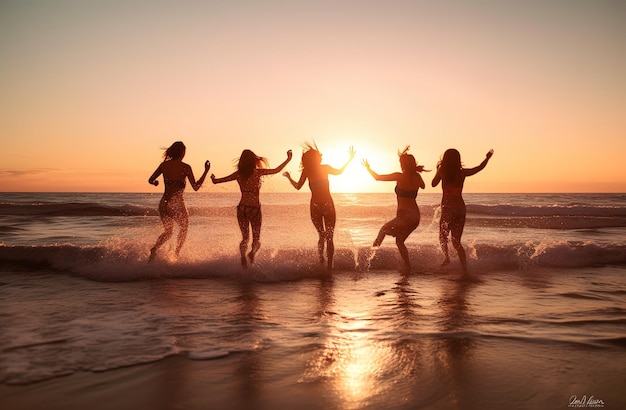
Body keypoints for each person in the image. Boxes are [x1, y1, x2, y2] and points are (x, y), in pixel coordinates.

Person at [211, 149, 292, 268]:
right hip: (255, 209)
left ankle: (243, 256)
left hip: (242, 208)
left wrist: (213, 178)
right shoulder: (258, 173)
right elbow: (276, 170)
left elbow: (217, 181)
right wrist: (288, 159)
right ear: (253, 160)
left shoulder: (238, 174)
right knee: (256, 239)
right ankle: (252, 253)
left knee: (245, 238)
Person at [283, 144, 355, 270]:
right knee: (329, 237)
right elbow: (340, 171)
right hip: (328, 204)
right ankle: (329, 267)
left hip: (315, 206)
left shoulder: (307, 171)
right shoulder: (325, 168)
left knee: (322, 236)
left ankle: (321, 261)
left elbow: (298, 186)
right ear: (317, 158)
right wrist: (349, 159)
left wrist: (289, 178)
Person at [363, 146, 427, 272]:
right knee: (399, 241)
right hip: (415, 217)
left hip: (404, 216)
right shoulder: (418, 177)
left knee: (382, 231)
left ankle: (368, 262)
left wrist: (368, 168)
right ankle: (408, 268)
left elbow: (377, 177)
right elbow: (423, 186)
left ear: (403, 164)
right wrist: (415, 175)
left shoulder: (399, 176)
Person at [431, 148, 493, 274]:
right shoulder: (462, 173)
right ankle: (465, 270)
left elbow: (433, 184)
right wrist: (487, 158)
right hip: (460, 209)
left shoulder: (443, 171)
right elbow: (479, 168)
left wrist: (438, 168)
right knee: (456, 241)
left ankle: (447, 258)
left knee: (442, 236)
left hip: (448, 209)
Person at [148, 141, 210, 261]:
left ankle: (155, 249)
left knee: (168, 232)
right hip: (176, 204)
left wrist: (155, 183)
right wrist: (206, 171)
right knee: (184, 228)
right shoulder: (185, 167)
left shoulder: (163, 165)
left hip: (164, 204)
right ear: (182, 152)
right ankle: (176, 253)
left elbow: (151, 179)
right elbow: (196, 187)